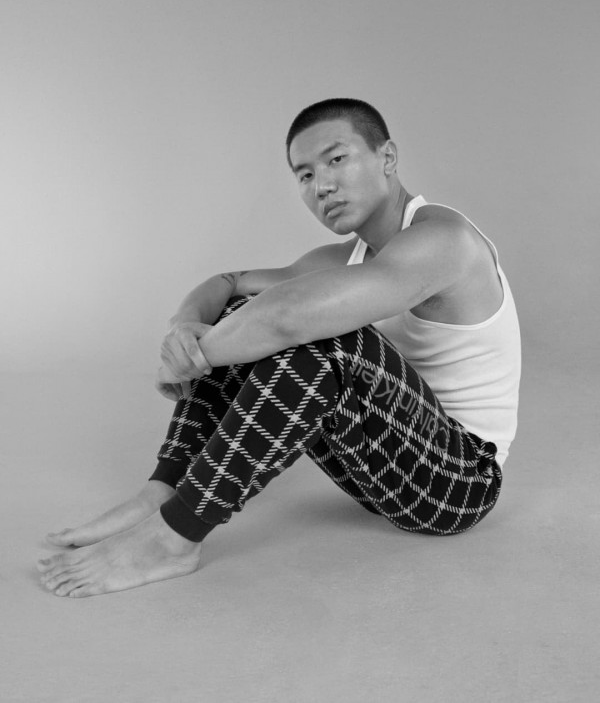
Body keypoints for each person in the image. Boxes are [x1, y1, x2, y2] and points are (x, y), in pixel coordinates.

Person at [38, 98, 521, 598]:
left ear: (388, 157)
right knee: (242, 315)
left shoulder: (444, 240)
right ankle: (163, 490)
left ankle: (174, 537)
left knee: (323, 336)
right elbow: (229, 284)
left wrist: (191, 360)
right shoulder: (344, 257)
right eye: (305, 175)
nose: (322, 186)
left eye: (337, 159)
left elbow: (288, 317)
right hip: (383, 469)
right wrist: (183, 330)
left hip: (459, 482)